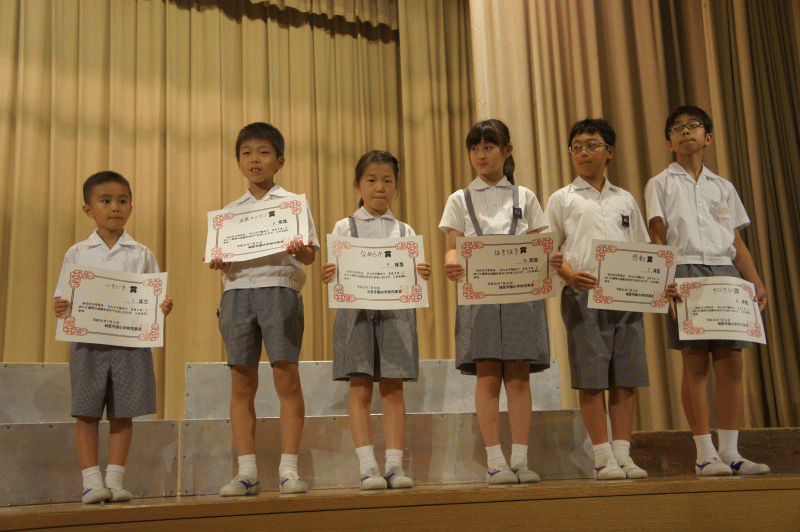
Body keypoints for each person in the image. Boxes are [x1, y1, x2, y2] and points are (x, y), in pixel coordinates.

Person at [645, 106, 769, 476]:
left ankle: (730, 451)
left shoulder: (723, 187)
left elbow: (737, 242)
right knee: (695, 362)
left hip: (726, 275)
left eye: (693, 126)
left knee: (731, 361)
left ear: (708, 137)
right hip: (684, 272)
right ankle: (704, 454)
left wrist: (756, 281)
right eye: (677, 128)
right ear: (669, 142)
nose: (685, 131)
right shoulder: (660, 183)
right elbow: (656, 234)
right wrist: (664, 279)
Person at [209, 122, 319, 495]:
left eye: (263, 152)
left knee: (286, 379)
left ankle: (288, 469)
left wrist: (300, 250)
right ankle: (247, 471)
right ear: (239, 162)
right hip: (238, 293)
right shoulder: (229, 213)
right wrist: (221, 261)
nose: (255, 159)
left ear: (280, 161)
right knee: (242, 384)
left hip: (280, 290)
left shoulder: (294, 204)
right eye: (247, 153)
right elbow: (225, 262)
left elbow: (309, 256)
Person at [439, 119, 550, 485]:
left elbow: (542, 244)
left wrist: (552, 260)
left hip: (520, 296)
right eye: (475, 148)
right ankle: (495, 461)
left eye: (488, 147)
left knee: (518, 377)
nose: (481, 155)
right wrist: (451, 263)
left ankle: (520, 459)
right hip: (480, 296)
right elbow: (452, 247)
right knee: (487, 376)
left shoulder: (525, 197)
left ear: (507, 150)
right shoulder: (459, 198)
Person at [54, 171, 174, 504]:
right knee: (86, 413)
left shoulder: (141, 253)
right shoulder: (78, 252)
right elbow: (63, 300)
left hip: (131, 345)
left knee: (124, 412)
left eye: (122, 201)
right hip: (88, 345)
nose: (115, 208)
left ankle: (115, 480)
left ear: (131, 208)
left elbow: (154, 297)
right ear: (88, 209)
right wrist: (60, 306)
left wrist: (162, 306)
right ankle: (91, 482)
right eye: (105, 201)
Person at [321, 151, 432, 490]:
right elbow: (337, 272)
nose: (379, 188)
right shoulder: (344, 227)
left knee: (394, 388)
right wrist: (330, 274)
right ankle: (368, 466)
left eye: (387, 181)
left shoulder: (405, 230)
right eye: (371, 180)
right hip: (355, 314)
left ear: (396, 187)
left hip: (396, 314)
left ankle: (395, 465)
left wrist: (420, 272)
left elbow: (411, 275)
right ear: (357, 185)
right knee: (360, 388)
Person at [546, 118, 649, 480]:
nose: (583, 152)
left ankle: (623, 454)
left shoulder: (625, 199)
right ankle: (602, 457)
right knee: (591, 377)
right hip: (583, 295)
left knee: (625, 376)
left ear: (610, 151)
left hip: (626, 297)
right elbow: (549, 251)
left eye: (591, 145)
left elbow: (643, 248)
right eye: (576, 147)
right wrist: (570, 276)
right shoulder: (562, 198)